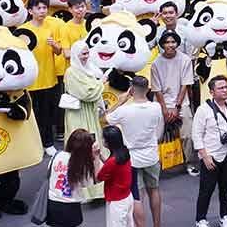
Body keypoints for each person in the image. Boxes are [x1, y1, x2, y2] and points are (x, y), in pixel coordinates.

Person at [105, 76, 165, 227]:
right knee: (154, 189)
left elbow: (106, 118)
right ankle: (157, 225)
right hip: (151, 155)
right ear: (148, 89)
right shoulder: (156, 107)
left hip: (132, 158)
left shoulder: (124, 111)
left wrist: (120, 101)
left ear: (131, 89)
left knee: (136, 195)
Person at [192, 76, 227, 227]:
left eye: (226, 87)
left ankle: (225, 216)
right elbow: (197, 135)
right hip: (211, 155)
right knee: (206, 190)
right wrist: (205, 156)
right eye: (221, 88)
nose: (225, 90)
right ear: (212, 92)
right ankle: (200, 218)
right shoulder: (203, 109)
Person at [21, 0, 64, 156]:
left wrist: (55, 46)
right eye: (38, 8)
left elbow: (59, 51)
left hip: (49, 79)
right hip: (30, 81)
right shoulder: (23, 30)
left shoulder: (51, 27)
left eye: (44, 7)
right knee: (32, 115)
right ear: (30, 10)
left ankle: (48, 143)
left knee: (47, 114)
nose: (42, 11)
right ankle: (33, 146)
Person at [63, 42, 106, 200]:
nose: (86, 56)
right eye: (83, 53)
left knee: (94, 149)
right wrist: (100, 84)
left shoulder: (90, 68)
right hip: (78, 114)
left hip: (90, 113)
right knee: (80, 150)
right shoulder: (71, 72)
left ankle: (97, 190)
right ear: (75, 54)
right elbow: (84, 93)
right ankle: (81, 190)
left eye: (87, 53)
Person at [150, 31, 194, 176]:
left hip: (181, 103)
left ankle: (188, 163)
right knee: (156, 135)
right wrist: (164, 109)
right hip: (161, 104)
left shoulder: (185, 60)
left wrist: (176, 107)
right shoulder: (156, 63)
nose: (170, 45)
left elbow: (185, 85)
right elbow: (156, 89)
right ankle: (155, 166)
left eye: (173, 42)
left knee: (187, 134)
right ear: (162, 44)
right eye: (167, 42)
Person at [47, 129, 96, 227]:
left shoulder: (57, 155)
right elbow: (89, 184)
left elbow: (49, 172)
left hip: (53, 203)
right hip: (71, 206)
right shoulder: (83, 165)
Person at [95, 125, 134, 227]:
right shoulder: (124, 152)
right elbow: (111, 168)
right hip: (127, 197)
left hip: (116, 202)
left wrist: (95, 158)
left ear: (109, 142)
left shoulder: (112, 161)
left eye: (104, 138)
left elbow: (97, 178)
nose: (102, 140)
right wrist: (100, 156)